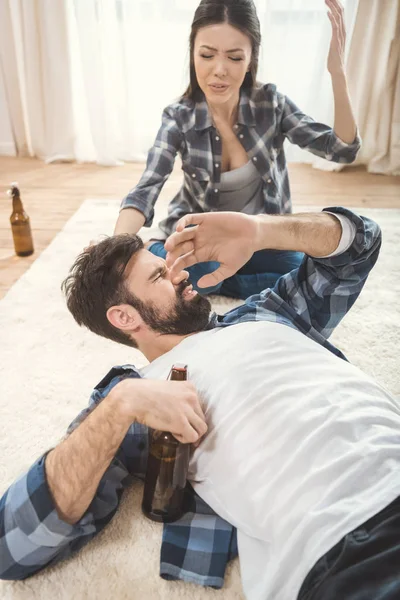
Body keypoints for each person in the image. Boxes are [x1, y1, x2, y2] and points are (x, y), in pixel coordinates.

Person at [2, 205, 400, 600]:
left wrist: (261, 231)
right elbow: (12, 546)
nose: (178, 272)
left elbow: (360, 243)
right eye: (159, 274)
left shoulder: (265, 313)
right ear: (124, 317)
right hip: (348, 544)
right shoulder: (141, 396)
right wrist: (119, 405)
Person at [115, 0, 361, 299]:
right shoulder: (179, 117)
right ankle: (181, 264)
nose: (219, 70)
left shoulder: (271, 105)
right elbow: (147, 187)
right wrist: (114, 250)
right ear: (193, 53)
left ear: (250, 58)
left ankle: (218, 282)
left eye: (234, 57)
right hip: (201, 241)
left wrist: (338, 73)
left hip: (261, 238)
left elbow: (342, 151)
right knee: (199, 271)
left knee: (303, 276)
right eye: (206, 55)